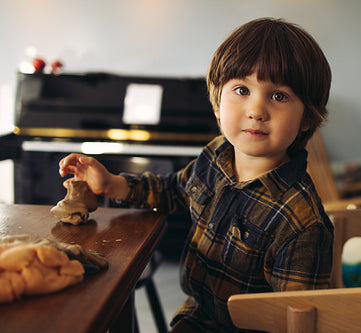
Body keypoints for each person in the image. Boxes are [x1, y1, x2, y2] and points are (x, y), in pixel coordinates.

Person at [58, 17, 333, 333]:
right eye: (242, 90)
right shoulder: (216, 154)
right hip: (197, 313)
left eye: (278, 96)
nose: (256, 110)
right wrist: (113, 184)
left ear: (308, 118)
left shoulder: (302, 221)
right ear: (217, 104)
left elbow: (297, 318)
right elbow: (174, 190)